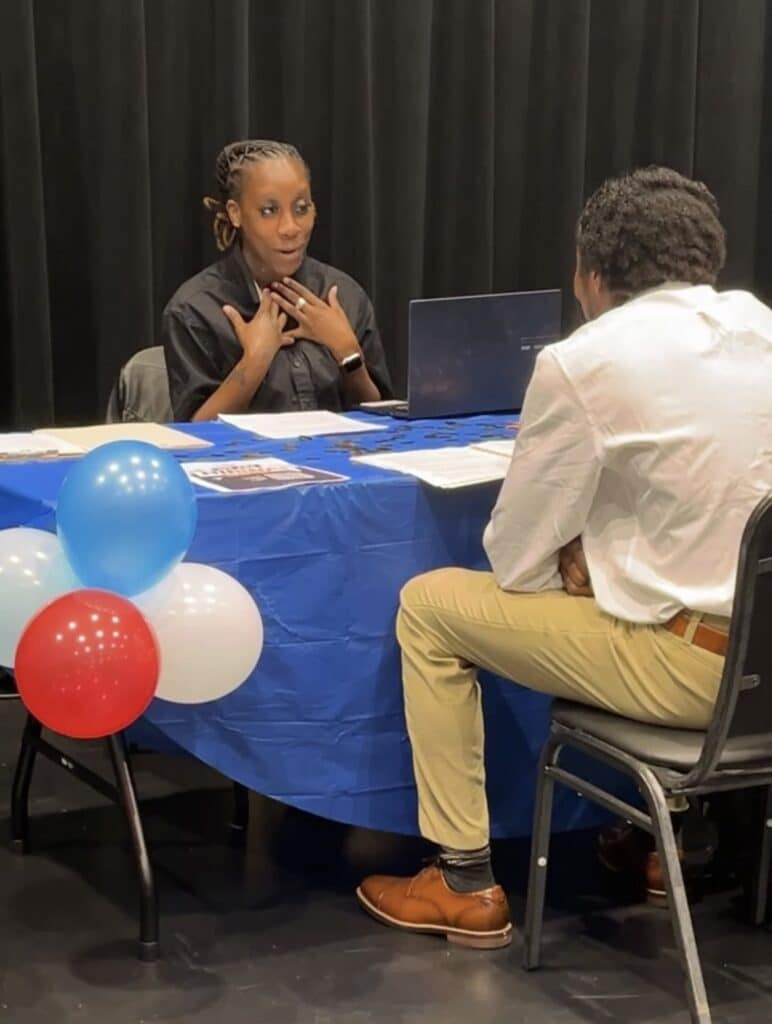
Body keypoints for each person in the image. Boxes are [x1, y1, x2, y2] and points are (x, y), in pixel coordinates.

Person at [356, 166, 772, 949]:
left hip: (693, 673)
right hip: (761, 673)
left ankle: (463, 880)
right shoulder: (763, 328)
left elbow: (515, 559)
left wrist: (582, 572)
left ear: (590, 274)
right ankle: (664, 842)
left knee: (431, 607)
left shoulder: (587, 359)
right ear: (707, 259)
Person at [162, 139, 392, 421]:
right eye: (269, 211)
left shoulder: (343, 294)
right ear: (236, 214)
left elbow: (383, 420)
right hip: (246, 462)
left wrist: (347, 352)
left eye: (301, 208)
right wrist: (255, 360)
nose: (290, 228)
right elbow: (194, 434)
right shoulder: (195, 309)